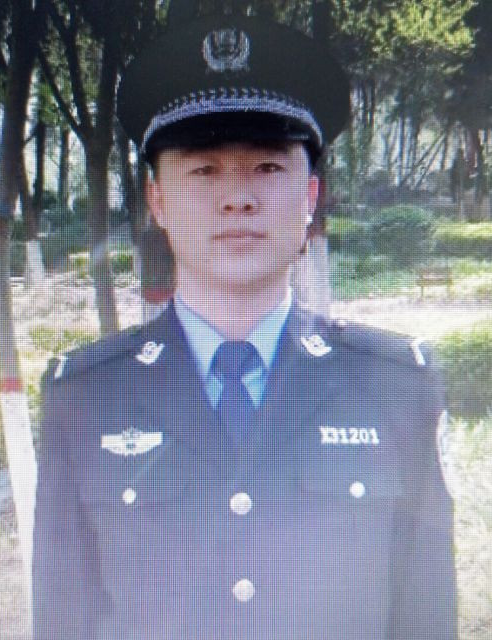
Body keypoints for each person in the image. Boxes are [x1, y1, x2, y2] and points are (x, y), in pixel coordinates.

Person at [32, 7, 457, 640]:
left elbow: (426, 617)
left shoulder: (395, 386)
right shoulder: (85, 396)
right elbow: (64, 621)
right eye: (204, 170)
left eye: (267, 167)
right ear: (157, 200)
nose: (238, 198)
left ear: (309, 197)